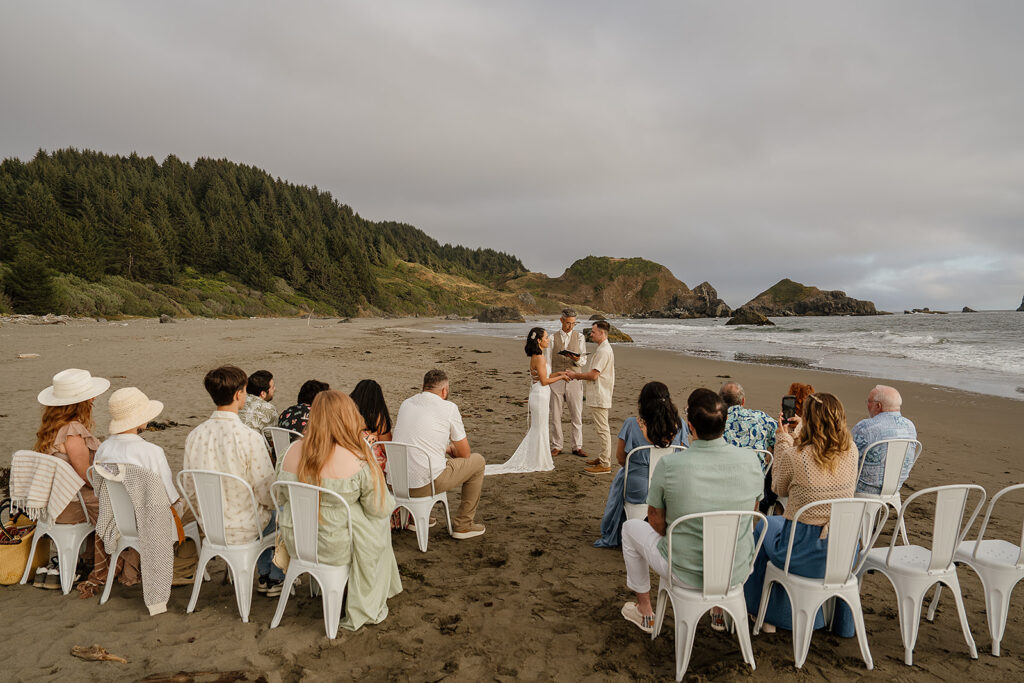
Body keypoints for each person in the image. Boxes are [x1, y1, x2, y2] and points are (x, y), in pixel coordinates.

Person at [620, 388, 763, 633]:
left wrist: (679, 534)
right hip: (736, 569)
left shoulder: (670, 465)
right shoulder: (751, 461)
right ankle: (718, 609)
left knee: (630, 528)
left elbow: (655, 521)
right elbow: (753, 517)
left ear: (690, 426)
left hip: (685, 570)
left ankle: (644, 610)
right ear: (725, 423)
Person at [275, 390, 402, 630]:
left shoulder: (289, 453)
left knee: (355, 514)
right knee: (377, 524)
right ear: (348, 417)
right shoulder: (358, 458)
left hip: (297, 541)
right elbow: (379, 508)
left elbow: (281, 495)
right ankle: (366, 593)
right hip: (335, 547)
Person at [743, 393, 859, 635]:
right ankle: (841, 624)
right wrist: (796, 437)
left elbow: (777, 488)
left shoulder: (797, 455)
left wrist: (785, 440)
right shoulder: (852, 451)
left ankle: (762, 610)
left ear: (809, 420)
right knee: (772, 526)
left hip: (802, 549)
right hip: (843, 549)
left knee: (763, 528)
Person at [182, 366, 284, 595]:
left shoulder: (195, 436)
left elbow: (189, 487)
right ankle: (272, 578)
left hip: (209, 524)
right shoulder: (249, 438)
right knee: (283, 511)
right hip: (245, 526)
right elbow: (266, 492)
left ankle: (263, 574)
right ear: (239, 395)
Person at [81, 387, 177, 599]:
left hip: (116, 520)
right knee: (187, 510)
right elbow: (168, 495)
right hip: (148, 521)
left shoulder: (104, 449)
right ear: (139, 419)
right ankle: (181, 570)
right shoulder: (151, 452)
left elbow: (100, 489)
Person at [33, 368, 110, 588]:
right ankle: (110, 564)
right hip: (71, 506)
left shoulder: (50, 429)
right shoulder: (72, 430)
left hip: (54, 504)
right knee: (121, 504)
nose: (94, 399)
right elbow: (85, 473)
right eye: (90, 396)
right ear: (81, 402)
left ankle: (87, 559)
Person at [392, 369, 486, 539]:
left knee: (427, 460)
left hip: (395, 483)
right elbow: (465, 454)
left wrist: (444, 448)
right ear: (444, 391)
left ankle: (416, 518)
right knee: (477, 462)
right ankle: (463, 525)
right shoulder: (449, 408)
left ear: (423, 387)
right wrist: (450, 449)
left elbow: (416, 439)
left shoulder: (406, 403)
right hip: (421, 486)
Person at [594, 382, 688, 549]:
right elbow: (684, 457)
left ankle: (625, 525)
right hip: (670, 488)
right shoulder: (680, 425)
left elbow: (621, 459)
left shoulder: (632, 424)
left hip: (639, 490)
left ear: (643, 402)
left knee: (623, 475)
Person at [486, 327, 568, 475]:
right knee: (540, 427)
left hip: (539, 394)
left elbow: (545, 374)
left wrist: (559, 373)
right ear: (539, 340)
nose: (548, 340)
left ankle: (538, 458)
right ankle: (538, 460)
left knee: (540, 427)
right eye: (546, 338)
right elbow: (544, 381)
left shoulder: (536, 356)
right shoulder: (540, 357)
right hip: (541, 395)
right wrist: (561, 377)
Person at [349, 379, 404, 530]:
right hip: (372, 464)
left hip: (350, 459)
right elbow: (387, 447)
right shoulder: (378, 417)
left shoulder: (348, 415)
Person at [720, 382, 778, 513]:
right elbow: (781, 438)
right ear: (743, 401)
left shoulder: (716, 422)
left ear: (720, 402)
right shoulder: (761, 418)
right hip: (755, 486)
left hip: (722, 483)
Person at [566, 320, 615, 474]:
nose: (591, 334)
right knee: (602, 428)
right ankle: (602, 458)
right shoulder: (602, 348)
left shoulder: (604, 351)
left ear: (602, 333)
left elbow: (594, 375)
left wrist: (575, 375)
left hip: (601, 393)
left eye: (593, 332)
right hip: (599, 392)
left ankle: (605, 463)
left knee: (602, 429)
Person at [852, 385, 918, 495]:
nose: (867, 405)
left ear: (878, 406)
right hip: (895, 488)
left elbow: (849, 456)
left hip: (864, 489)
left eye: (869, 401)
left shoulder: (865, 427)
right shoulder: (910, 426)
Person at [548, 308, 588, 458]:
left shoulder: (580, 338)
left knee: (576, 414)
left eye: (573, 323)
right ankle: (556, 445)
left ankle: (577, 446)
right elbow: (548, 361)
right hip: (557, 380)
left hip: (574, 379)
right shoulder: (552, 338)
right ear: (561, 321)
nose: (570, 326)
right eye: (567, 323)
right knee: (556, 415)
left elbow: (583, 360)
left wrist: (577, 359)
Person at [238, 369, 278, 434]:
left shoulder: (237, 401)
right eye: (272, 387)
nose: (274, 389)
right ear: (263, 394)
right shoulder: (269, 409)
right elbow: (272, 438)